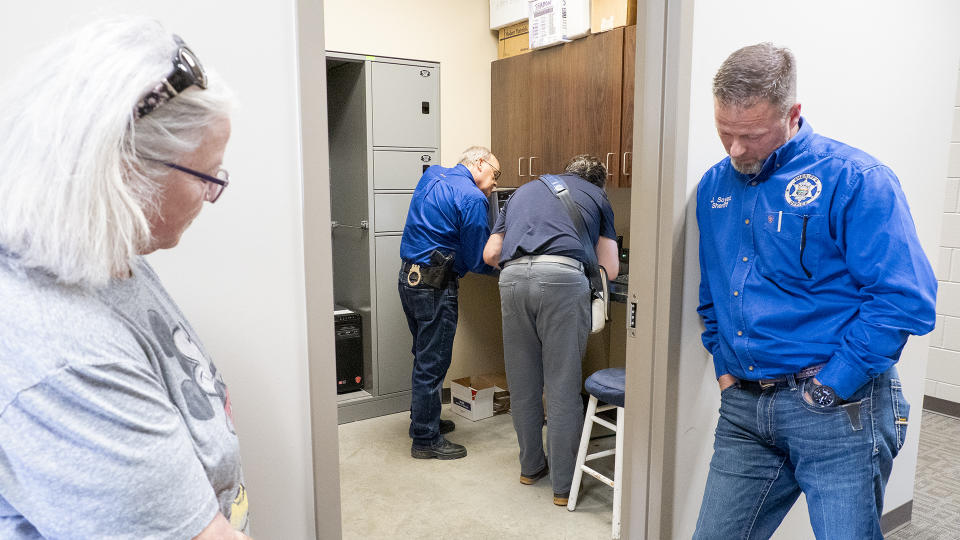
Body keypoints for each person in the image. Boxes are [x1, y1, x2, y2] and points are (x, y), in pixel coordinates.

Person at [0, 17, 252, 539]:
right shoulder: (65, 354)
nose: (212, 195)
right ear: (122, 169)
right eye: (207, 176)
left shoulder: (106, 258)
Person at [693, 43, 937, 539]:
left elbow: (904, 298)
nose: (736, 150)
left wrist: (832, 385)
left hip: (836, 410)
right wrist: (723, 368)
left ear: (793, 114)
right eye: (725, 134)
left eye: (752, 136)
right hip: (744, 409)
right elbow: (714, 288)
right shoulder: (713, 186)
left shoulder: (856, 179)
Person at [482, 155, 618, 506]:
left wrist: (525, 265)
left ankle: (531, 468)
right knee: (561, 384)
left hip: (511, 279)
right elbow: (611, 268)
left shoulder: (522, 193)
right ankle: (563, 485)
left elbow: (491, 253)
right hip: (562, 279)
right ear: (598, 182)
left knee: (524, 382)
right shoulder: (597, 197)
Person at [399, 146, 499, 460]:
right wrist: (506, 262)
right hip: (436, 286)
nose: (495, 183)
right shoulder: (472, 197)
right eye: (496, 174)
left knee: (423, 354)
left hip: (409, 278)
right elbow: (477, 259)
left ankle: (422, 421)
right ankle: (425, 441)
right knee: (434, 360)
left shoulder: (432, 176)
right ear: (480, 163)